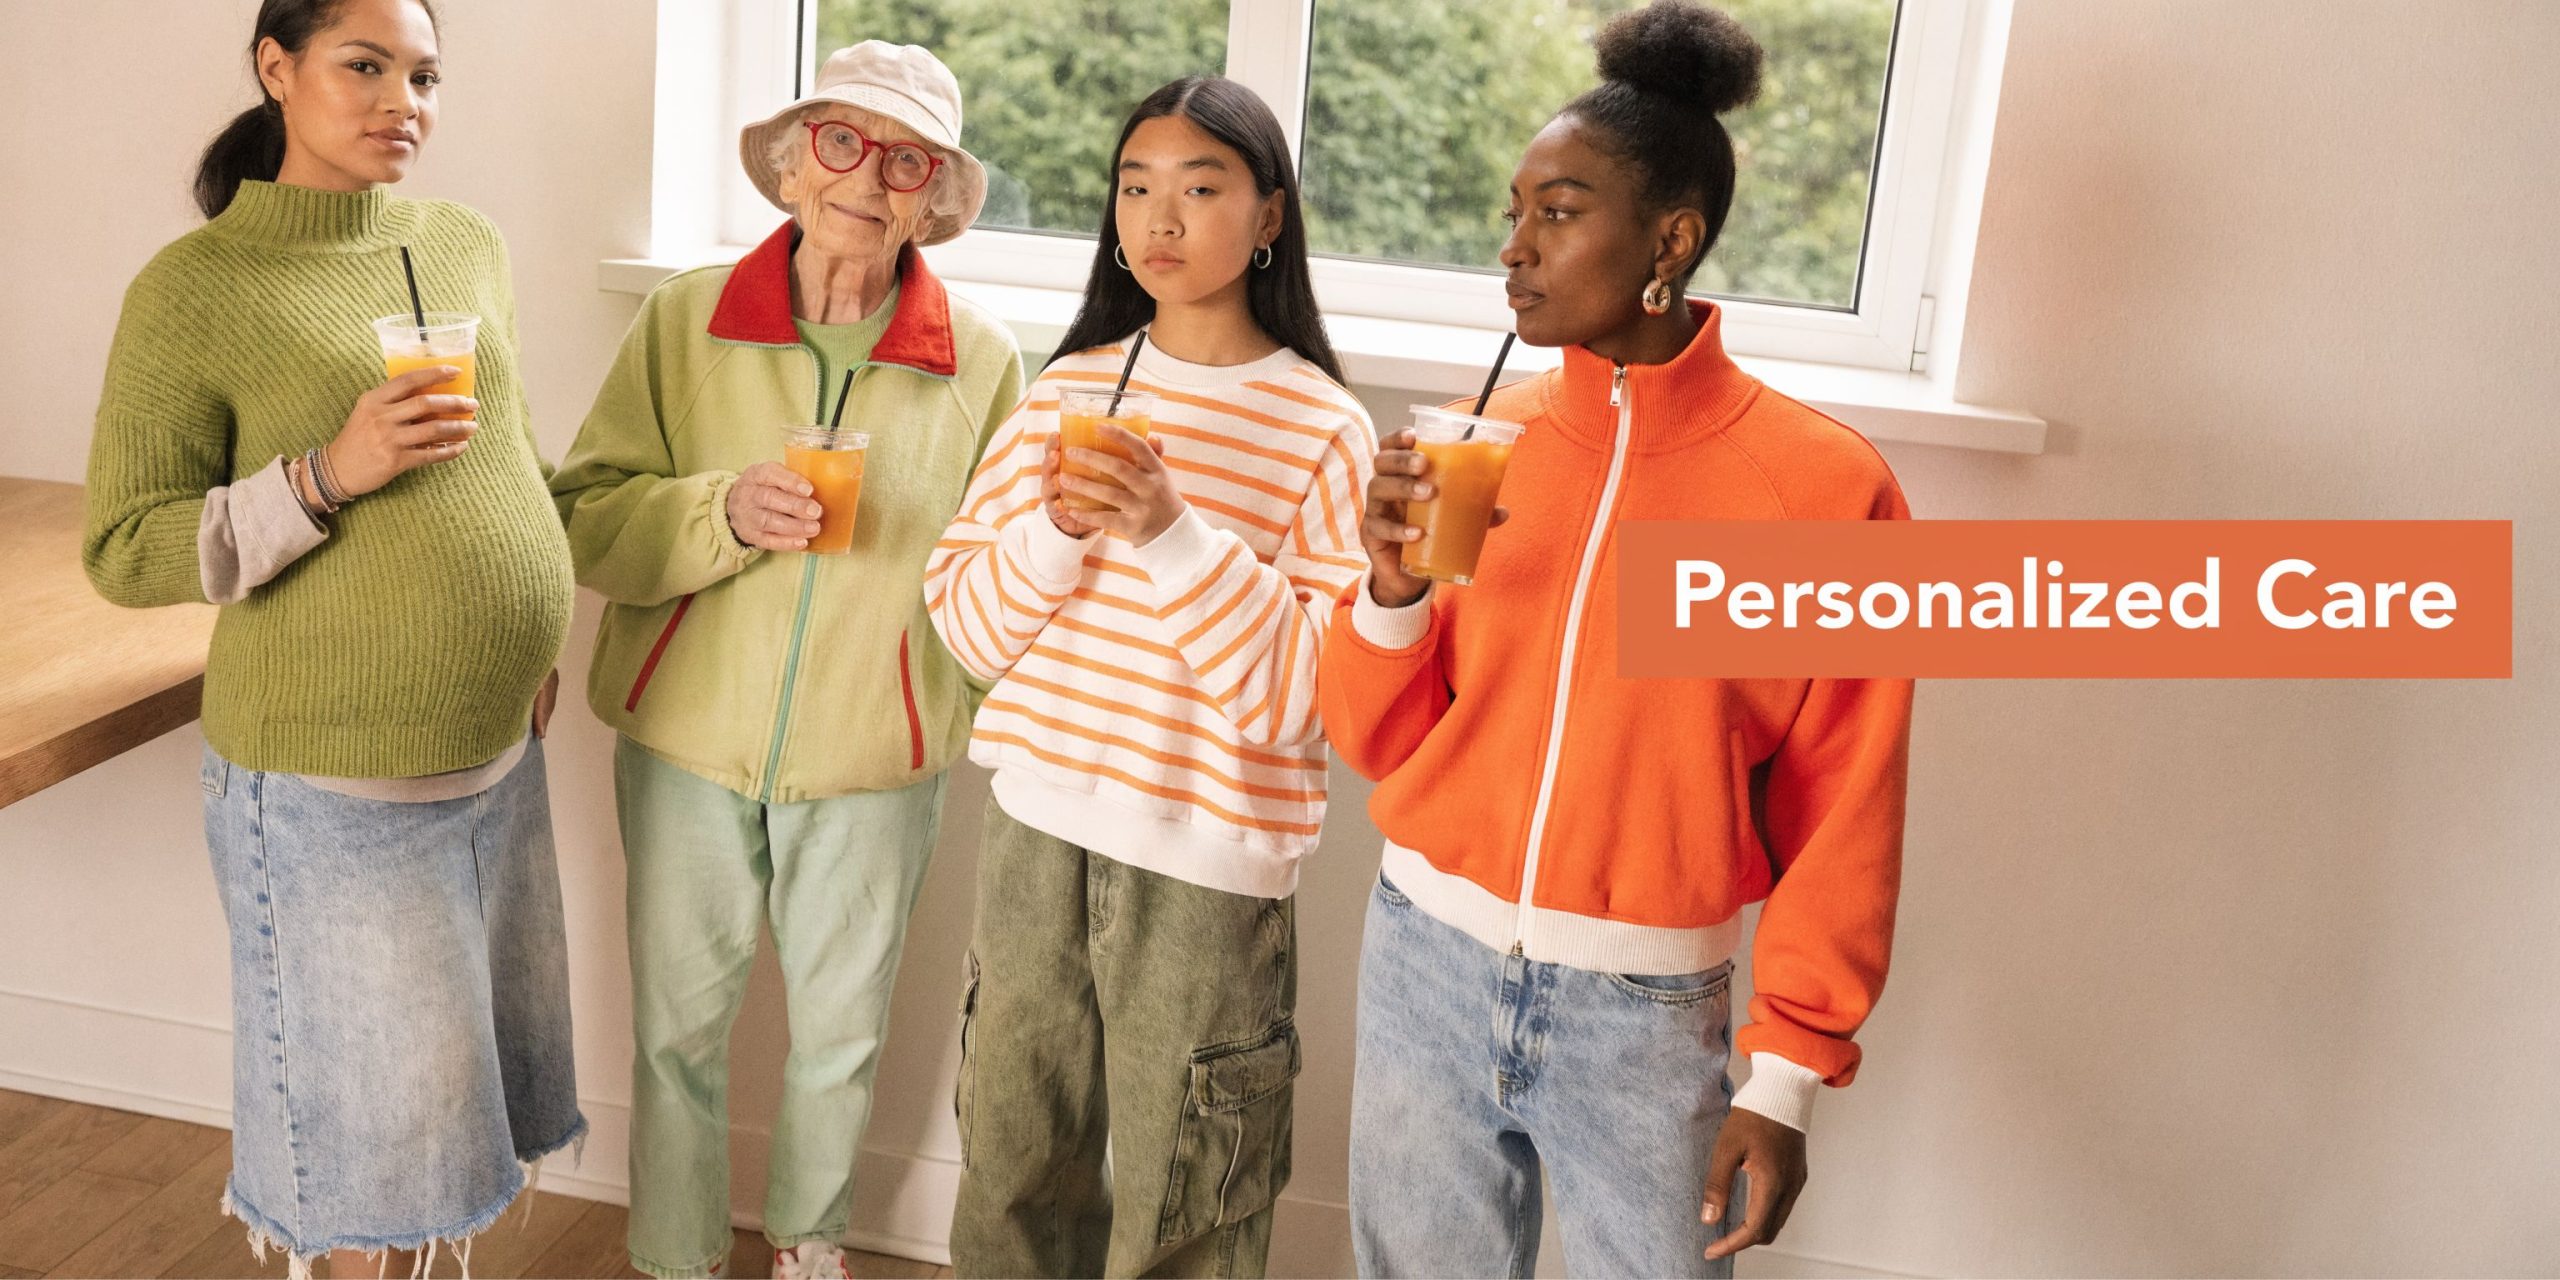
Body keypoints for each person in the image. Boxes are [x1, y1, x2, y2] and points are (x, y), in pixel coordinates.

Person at [1319, 3, 1915, 1276]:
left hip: (1644, 1019)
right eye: (1513, 209)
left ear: (1670, 238)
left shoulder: (1823, 487)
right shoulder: (1490, 440)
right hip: (1422, 957)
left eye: (1559, 210)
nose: (1512, 248)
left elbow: (1846, 801)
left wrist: (1788, 1074)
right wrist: (1386, 592)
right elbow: (1380, 740)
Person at [82, 1, 580, 1275]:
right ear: (275, 69)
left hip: (496, 757)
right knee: (368, 1142)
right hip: (330, 780)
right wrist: (326, 474)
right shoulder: (194, 291)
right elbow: (128, 546)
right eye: (364, 66)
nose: (400, 100)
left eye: (422, 74)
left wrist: (528, 630)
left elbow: (512, 461)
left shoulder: (463, 243)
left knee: (464, 1108)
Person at [548, 40, 1022, 1280]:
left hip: (876, 756)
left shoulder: (982, 361)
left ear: (936, 196)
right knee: (673, 1031)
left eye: (906, 158)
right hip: (686, 740)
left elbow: (1005, 572)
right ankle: (674, 1251)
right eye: (842, 141)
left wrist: (938, 707)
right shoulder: (681, 318)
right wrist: (718, 511)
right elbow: (585, 513)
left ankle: (811, 1246)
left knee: (840, 1033)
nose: (868, 178)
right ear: (791, 161)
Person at [925, 75, 1376, 1279]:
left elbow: (1302, 698)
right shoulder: (1066, 391)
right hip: (1033, 836)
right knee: (1011, 1168)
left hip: (1208, 868)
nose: (1158, 220)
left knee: (1190, 1203)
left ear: (1270, 215)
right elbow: (968, 633)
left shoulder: (1323, 428)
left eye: (1200, 186)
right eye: (1135, 188)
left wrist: (1174, 531)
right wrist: (1056, 532)